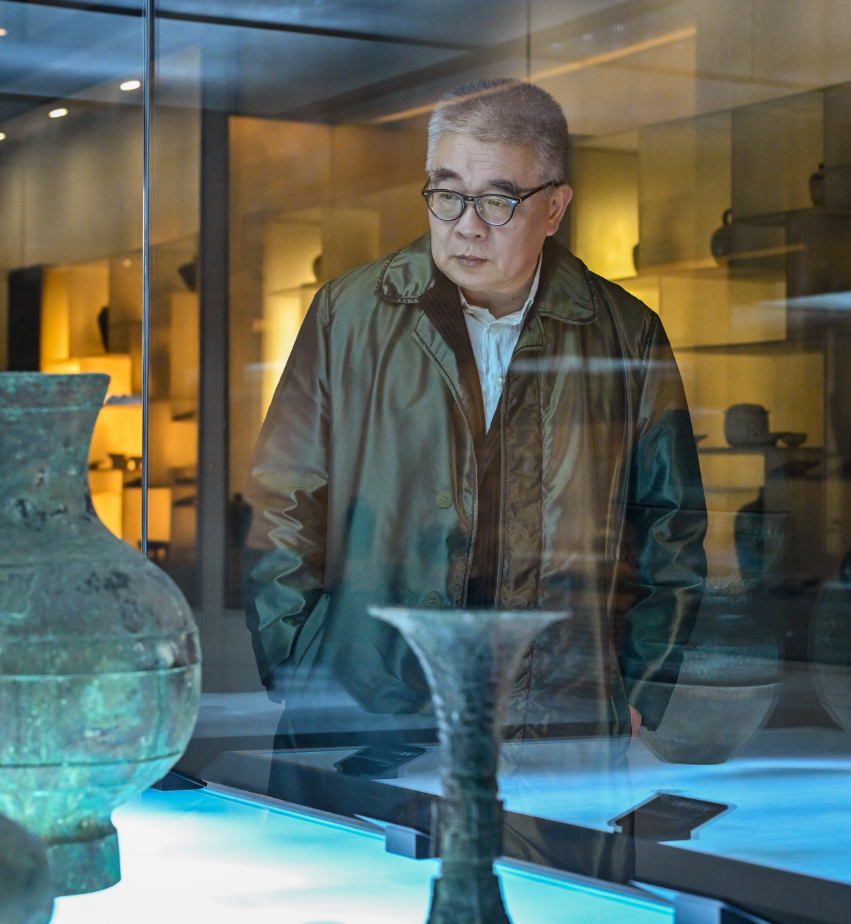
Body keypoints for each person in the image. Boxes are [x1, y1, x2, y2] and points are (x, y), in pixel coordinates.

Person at [244, 77, 707, 746]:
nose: (466, 225)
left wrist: (638, 687)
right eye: (447, 193)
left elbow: (670, 525)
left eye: (497, 200)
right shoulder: (348, 315)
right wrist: (298, 664)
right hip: (362, 713)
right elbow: (283, 502)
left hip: (554, 724)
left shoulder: (625, 334)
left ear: (555, 208)